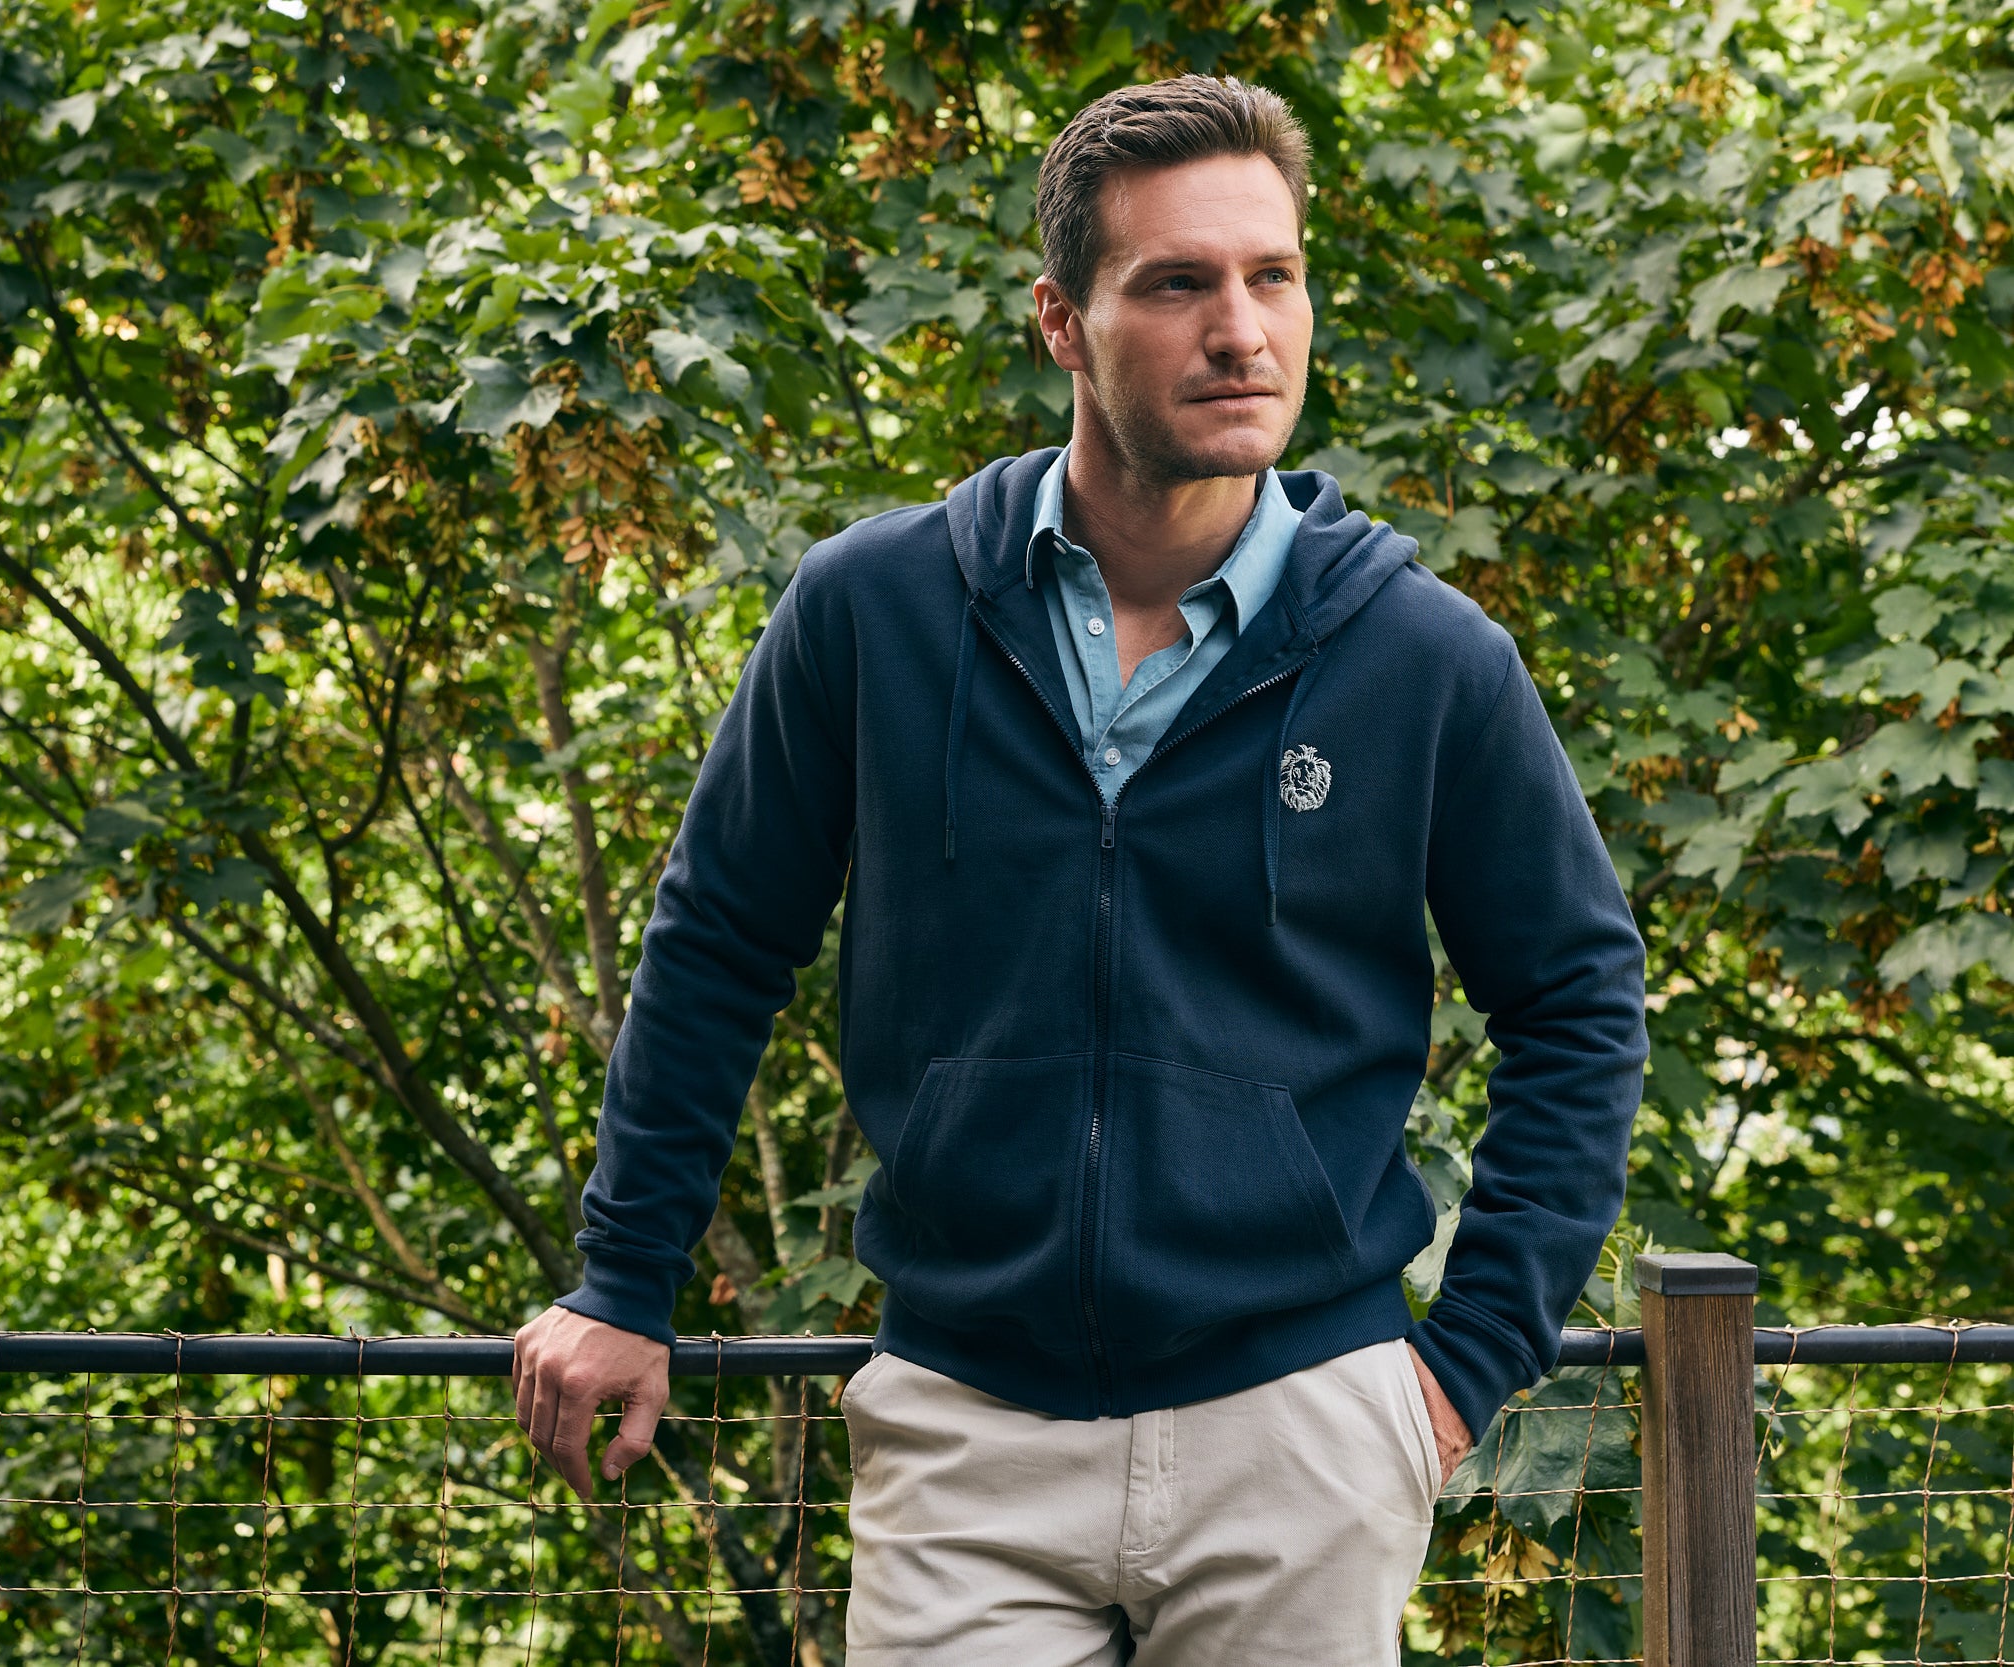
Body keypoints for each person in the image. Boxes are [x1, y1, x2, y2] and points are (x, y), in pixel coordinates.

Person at [510, 74, 1647, 1664]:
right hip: (968, 1428)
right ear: (1062, 320)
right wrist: (627, 1278)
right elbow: (716, 946)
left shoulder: (1422, 656)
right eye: (1177, 283)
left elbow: (1579, 1002)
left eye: (1272, 276)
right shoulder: (872, 613)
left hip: (1301, 1430)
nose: (1241, 331)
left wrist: (1459, 1372)